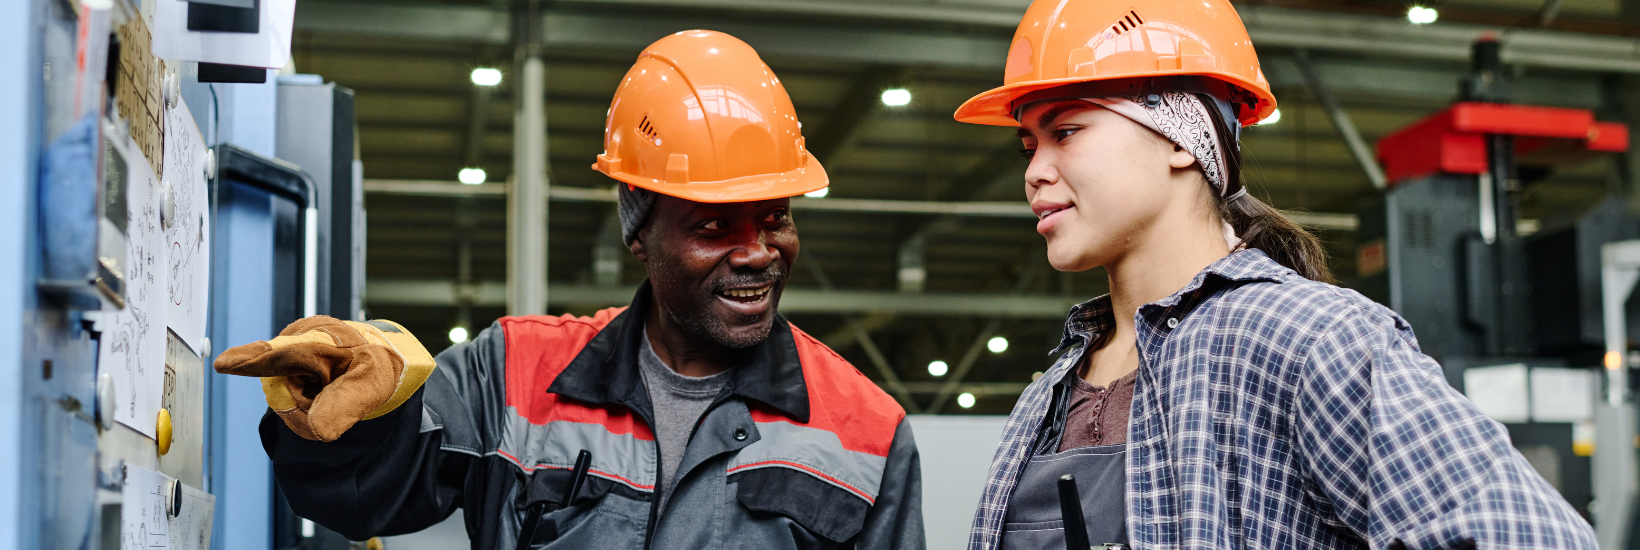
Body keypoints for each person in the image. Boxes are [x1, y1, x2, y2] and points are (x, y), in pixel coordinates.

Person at [213, 30, 923, 550]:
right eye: (714, 226)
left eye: (776, 219)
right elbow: (365, 494)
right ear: (640, 233)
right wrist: (350, 402)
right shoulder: (513, 375)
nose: (758, 253)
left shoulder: (867, 431)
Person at [951, 1, 1596, 549]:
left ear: (1180, 137)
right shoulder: (1051, 390)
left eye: (1066, 131)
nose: (1034, 172)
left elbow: (1527, 534)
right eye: (1029, 146)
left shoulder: (1312, 341)